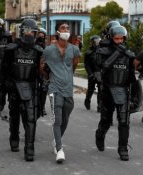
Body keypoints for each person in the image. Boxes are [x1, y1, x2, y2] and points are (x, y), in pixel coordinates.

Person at [0, 19, 43, 161]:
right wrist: (0, 91)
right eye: (28, 31)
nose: (31, 34)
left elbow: (42, 72)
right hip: (14, 88)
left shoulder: (38, 51)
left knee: (30, 118)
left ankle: (29, 148)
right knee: (14, 115)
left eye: (33, 32)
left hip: (30, 87)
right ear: (22, 32)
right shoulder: (11, 49)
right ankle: (14, 137)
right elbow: (3, 72)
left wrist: (44, 87)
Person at [95, 25, 136, 161]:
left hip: (123, 90)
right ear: (111, 38)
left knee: (124, 121)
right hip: (108, 90)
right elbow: (104, 67)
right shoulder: (102, 51)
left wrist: (135, 96)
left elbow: (132, 76)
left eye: (121, 38)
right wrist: (118, 53)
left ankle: (123, 148)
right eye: (116, 38)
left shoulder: (129, 54)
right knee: (106, 121)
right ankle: (100, 135)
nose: (119, 41)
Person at [41, 21, 80, 163]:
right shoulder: (49, 50)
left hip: (68, 88)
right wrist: (49, 77)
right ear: (57, 31)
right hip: (54, 88)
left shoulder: (74, 49)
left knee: (65, 117)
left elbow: (74, 65)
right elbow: (41, 65)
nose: (66, 30)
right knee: (57, 119)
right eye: (63, 28)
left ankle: (56, 140)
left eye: (68, 28)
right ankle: (60, 148)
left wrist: (67, 76)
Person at [84, 35, 102, 112]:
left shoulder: (102, 51)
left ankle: (100, 106)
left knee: (101, 90)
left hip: (100, 73)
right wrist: (90, 73)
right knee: (90, 89)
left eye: (98, 41)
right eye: (96, 41)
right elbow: (87, 64)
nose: (97, 42)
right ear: (92, 42)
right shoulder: (88, 52)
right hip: (92, 72)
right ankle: (87, 101)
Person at [35, 28, 48, 116]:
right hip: (34, 69)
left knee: (44, 89)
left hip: (43, 70)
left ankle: (42, 107)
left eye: (42, 34)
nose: (41, 35)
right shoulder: (33, 45)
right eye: (39, 34)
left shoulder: (47, 47)